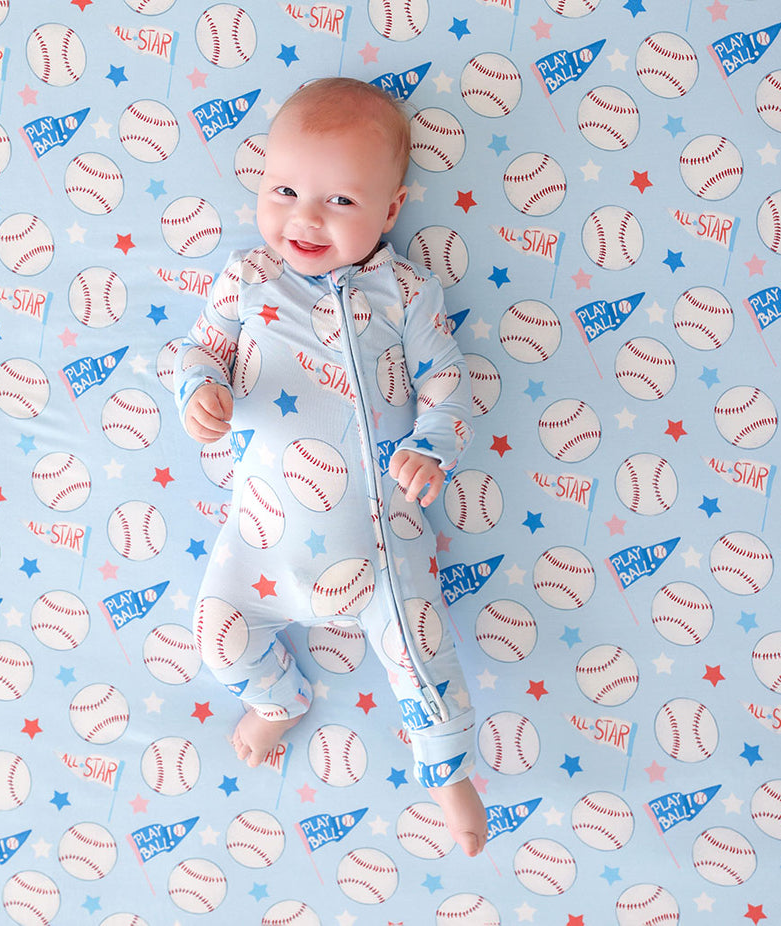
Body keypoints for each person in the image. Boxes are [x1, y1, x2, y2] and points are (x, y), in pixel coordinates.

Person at [175, 77, 488, 856]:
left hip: (381, 542)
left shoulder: (407, 291)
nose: (305, 219)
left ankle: (450, 779)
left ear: (390, 209)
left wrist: (430, 444)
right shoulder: (249, 279)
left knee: (423, 663)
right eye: (284, 191)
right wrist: (200, 390)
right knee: (215, 633)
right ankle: (279, 699)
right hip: (260, 542)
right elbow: (197, 347)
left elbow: (448, 381)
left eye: (341, 202)